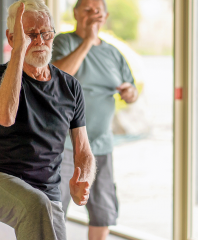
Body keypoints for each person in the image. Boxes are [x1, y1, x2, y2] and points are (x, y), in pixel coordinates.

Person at [0, 0, 96, 239]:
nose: (40, 41)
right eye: (30, 35)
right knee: (35, 204)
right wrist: (19, 50)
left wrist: (84, 179)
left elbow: (84, 151)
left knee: (44, 215)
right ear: (12, 38)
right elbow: (5, 117)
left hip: (47, 192)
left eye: (46, 33)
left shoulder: (70, 87)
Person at [51, 0, 139, 239]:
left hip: (100, 144)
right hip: (66, 145)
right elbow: (58, 78)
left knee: (103, 210)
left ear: (105, 16)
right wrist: (88, 41)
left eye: (97, 11)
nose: (91, 14)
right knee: (54, 208)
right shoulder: (64, 42)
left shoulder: (113, 53)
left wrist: (130, 93)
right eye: (86, 10)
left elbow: (131, 92)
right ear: (75, 13)